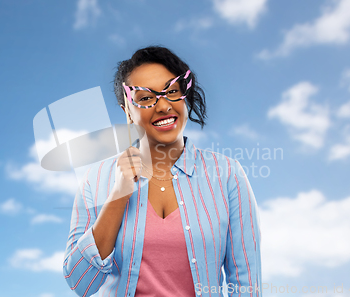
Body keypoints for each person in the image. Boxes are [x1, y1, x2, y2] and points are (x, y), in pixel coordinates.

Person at [63, 46, 262, 297]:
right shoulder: (96, 179)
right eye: (145, 98)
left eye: (172, 91)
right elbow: (79, 282)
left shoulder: (227, 174)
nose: (163, 105)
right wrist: (119, 194)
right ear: (127, 109)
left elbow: (246, 283)